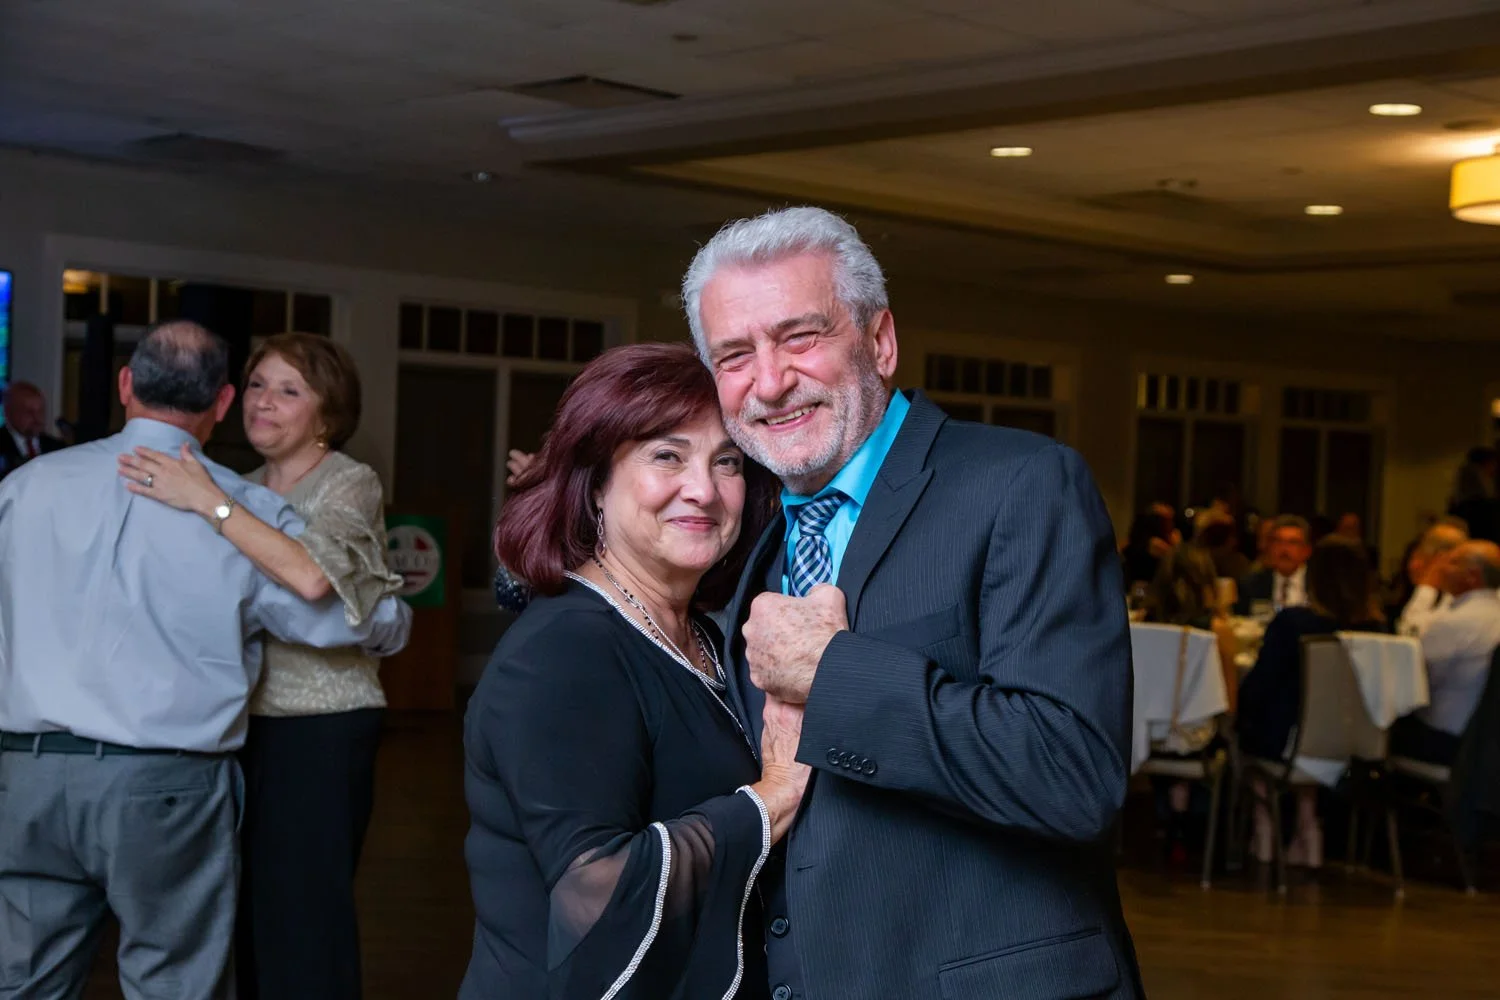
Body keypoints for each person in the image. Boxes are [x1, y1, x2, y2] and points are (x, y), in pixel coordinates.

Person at [685, 206, 1140, 1000]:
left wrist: (833, 675)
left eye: (800, 337)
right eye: (734, 355)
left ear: (881, 341)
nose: (769, 380)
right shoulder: (755, 536)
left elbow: (1074, 775)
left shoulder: (1021, 484)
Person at [0, 321, 412, 999]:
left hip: (28, 777)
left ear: (126, 385)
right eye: (255, 387)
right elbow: (345, 617)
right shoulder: (243, 506)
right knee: (174, 984)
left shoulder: (25, 487)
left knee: (25, 984)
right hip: (163, 784)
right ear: (222, 403)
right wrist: (390, 621)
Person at [461, 342, 796, 999]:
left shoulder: (701, 632)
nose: (703, 489)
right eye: (667, 455)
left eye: (726, 462)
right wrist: (776, 795)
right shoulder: (561, 652)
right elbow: (594, 893)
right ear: (595, 482)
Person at [116, 332, 403, 1000]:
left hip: (324, 726)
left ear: (326, 414)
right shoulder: (234, 486)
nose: (263, 403)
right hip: (240, 724)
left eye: (288, 390)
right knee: (245, 911)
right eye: (255, 386)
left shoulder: (347, 482)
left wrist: (209, 504)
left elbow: (310, 578)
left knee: (306, 915)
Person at [1236, 536, 1387, 868]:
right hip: (1356, 748)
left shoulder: (1293, 623)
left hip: (1291, 745)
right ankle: (1308, 826)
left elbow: (1260, 689)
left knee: (1251, 728)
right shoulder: (1379, 629)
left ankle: (1265, 826)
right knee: (1309, 730)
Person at [1390, 541, 1500, 765]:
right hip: (1484, 739)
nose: (1440, 567)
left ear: (1472, 576)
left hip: (1447, 739)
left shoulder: (1455, 622)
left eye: (1452, 562)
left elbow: (1416, 686)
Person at [1395, 520, 1469, 636]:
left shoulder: (1459, 595)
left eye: (1422, 558)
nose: (1413, 566)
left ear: (1440, 559)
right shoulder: (1448, 594)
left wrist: (1427, 586)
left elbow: (1410, 631)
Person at [1234, 514, 1312, 615]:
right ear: (1269, 547)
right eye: (1278, 541)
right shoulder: (1250, 586)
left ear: (1306, 550)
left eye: (1293, 542)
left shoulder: (1320, 587)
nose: (1284, 549)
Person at [0, 379, 64, 479]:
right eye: (29, 412)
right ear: (8, 412)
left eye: (40, 411)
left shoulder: (57, 448)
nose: (36, 417)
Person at [1121, 503, 1178, 587]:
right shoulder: (1155, 543)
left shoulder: (1137, 539)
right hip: (1145, 588)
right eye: (1167, 520)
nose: (1171, 524)